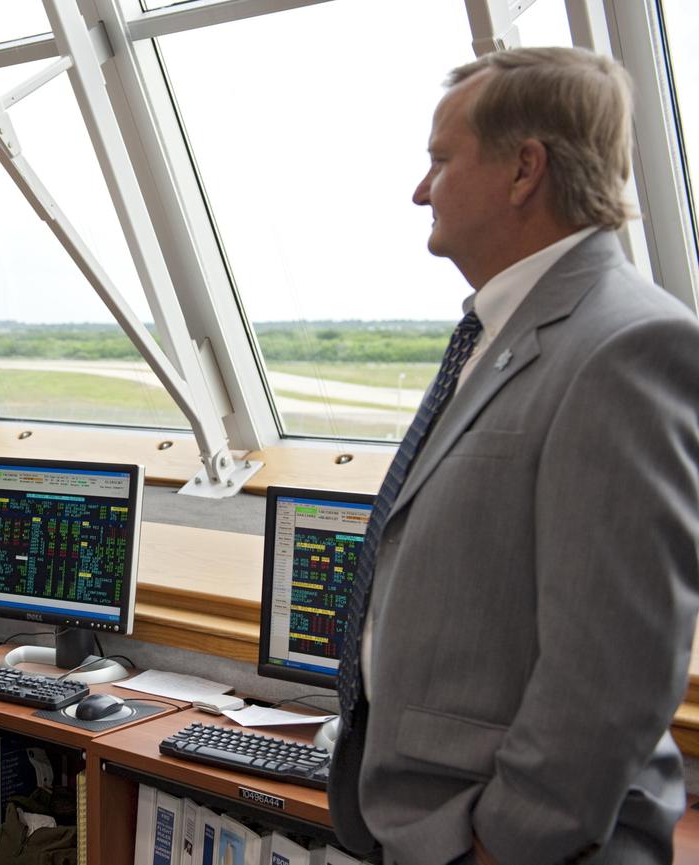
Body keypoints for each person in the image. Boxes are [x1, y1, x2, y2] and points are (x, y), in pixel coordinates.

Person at [327, 47, 699, 865]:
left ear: (525, 169)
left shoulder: (628, 347)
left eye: (440, 161)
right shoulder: (501, 333)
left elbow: (612, 670)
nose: (421, 190)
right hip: (432, 824)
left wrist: (503, 842)